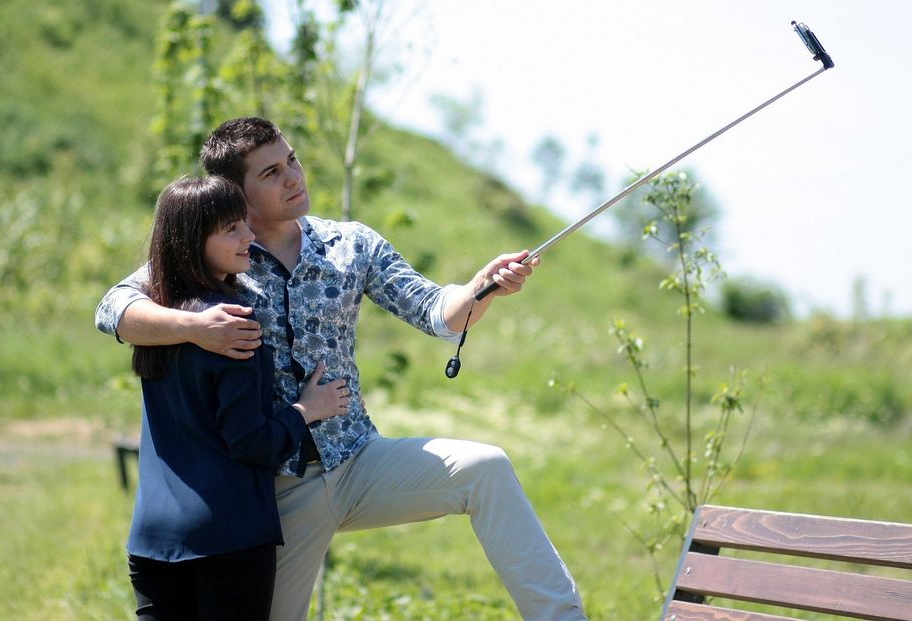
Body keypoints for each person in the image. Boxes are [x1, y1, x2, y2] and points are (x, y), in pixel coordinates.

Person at [96, 117, 587, 621]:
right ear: (235, 195)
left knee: (486, 469)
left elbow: (437, 312)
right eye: (270, 173)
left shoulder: (352, 244)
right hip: (274, 492)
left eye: (293, 160)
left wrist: (482, 285)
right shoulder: (219, 255)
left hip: (357, 460)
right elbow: (112, 309)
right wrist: (195, 326)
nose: (293, 177)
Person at [124, 175, 349, 621]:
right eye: (231, 228)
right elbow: (250, 443)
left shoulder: (156, 321)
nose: (249, 236)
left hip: (151, 538)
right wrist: (306, 410)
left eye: (244, 223)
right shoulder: (235, 326)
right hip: (229, 538)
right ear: (192, 240)